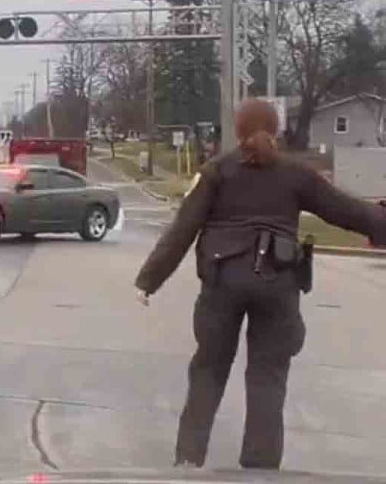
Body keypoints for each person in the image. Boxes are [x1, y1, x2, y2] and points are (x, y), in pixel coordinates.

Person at [133, 98, 386, 470]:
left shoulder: (215, 172)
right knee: (268, 378)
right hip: (278, 286)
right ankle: (261, 469)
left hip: (222, 285)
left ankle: (188, 461)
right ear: (276, 129)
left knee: (208, 370)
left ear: (237, 131)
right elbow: (345, 210)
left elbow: (181, 230)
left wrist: (148, 281)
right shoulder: (296, 174)